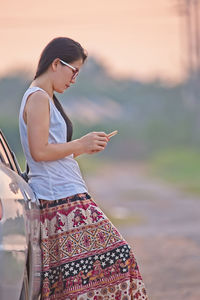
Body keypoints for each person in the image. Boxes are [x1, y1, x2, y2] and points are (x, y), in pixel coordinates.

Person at [19, 37, 149, 300]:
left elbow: (51, 150)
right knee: (119, 257)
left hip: (65, 194)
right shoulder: (38, 98)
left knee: (76, 282)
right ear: (56, 63)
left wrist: (84, 147)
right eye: (73, 71)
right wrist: (79, 142)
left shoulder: (46, 98)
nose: (74, 79)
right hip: (60, 199)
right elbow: (39, 151)